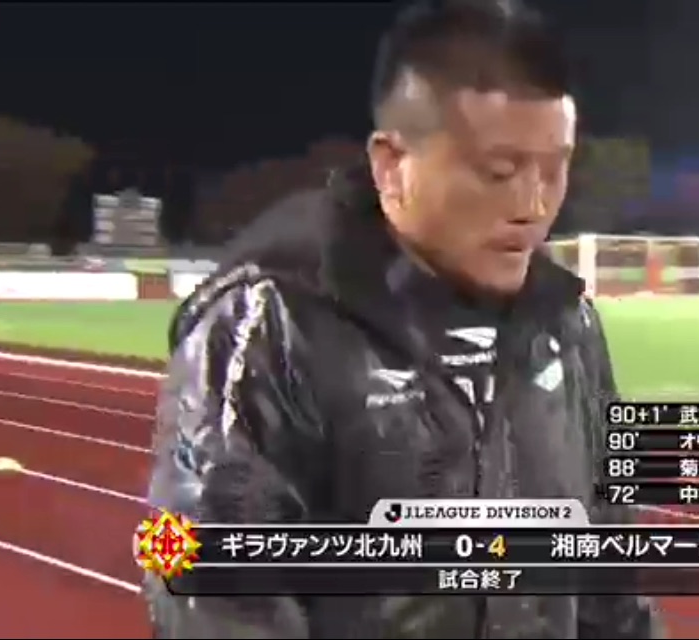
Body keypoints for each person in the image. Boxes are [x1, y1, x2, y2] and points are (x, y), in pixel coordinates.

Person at [144, 0, 663, 637]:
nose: (532, 205)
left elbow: (609, 588)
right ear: (392, 167)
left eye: (555, 170)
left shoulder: (566, 327)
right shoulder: (270, 328)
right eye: (499, 172)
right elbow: (218, 597)